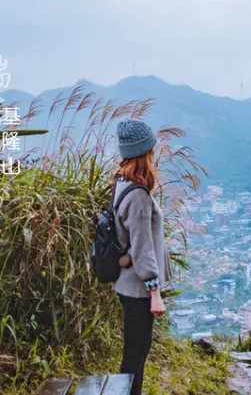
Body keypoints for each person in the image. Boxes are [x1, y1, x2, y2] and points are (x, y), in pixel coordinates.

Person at [112, 118, 172, 395]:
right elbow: (142, 247)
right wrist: (154, 292)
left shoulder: (122, 182)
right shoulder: (138, 197)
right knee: (135, 355)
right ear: (145, 153)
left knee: (135, 355)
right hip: (138, 288)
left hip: (129, 283)